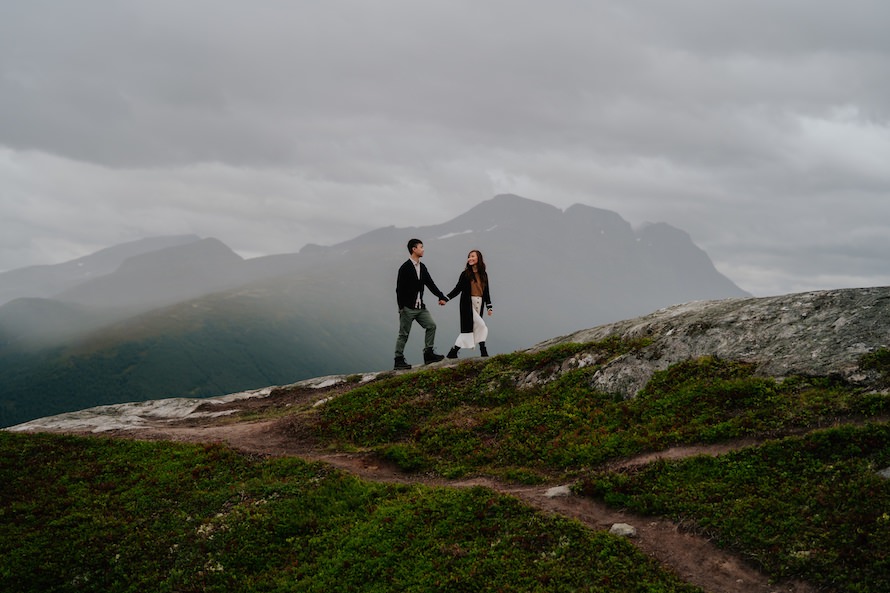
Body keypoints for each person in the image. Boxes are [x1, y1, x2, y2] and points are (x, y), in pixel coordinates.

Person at [394, 238, 448, 370]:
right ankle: (398, 360)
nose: (423, 249)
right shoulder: (405, 268)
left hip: (420, 308)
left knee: (431, 326)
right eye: (421, 247)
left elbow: (430, 284)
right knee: (404, 334)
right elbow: (399, 289)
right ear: (414, 249)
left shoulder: (422, 267)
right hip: (407, 308)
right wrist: (401, 308)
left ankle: (428, 354)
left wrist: (441, 296)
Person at [445, 249, 493, 359]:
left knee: (470, 328)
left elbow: (486, 292)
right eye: (469, 256)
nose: (470, 258)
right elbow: (458, 288)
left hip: (479, 304)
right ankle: (483, 350)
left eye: (472, 256)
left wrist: (489, 306)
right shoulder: (465, 274)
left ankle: (453, 351)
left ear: (478, 258)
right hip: (468, 304)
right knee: (481, 326)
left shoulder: (483, 274)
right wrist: (446, 298)